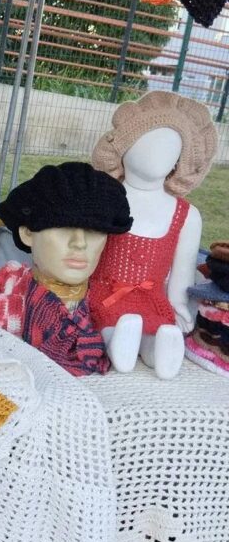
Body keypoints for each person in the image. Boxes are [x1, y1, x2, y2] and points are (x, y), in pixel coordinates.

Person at [89, 91, 218, 379]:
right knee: (109, 325)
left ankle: (158, 346)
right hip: (105, 293)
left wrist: (179, 305)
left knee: (157, 329)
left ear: (178, 161)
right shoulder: (106, 196)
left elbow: (183, 271)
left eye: (170, 145)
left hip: (152, 300)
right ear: (124, 148)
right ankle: (119, 342)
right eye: (147, 140)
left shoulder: (185, 215)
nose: (157, 150)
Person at [0, 162, 133, 376]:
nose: (79, 243)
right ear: (28, 234)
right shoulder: (5, 309)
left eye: (94, 230)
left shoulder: (103, 306)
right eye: (63, 227)